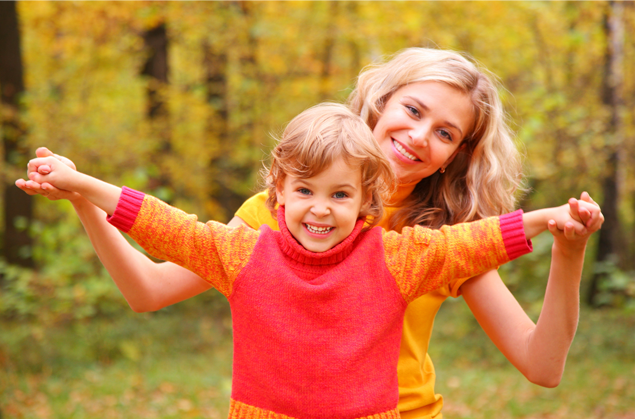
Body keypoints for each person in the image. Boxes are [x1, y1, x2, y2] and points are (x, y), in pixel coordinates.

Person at [16, 48, 604, 418]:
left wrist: (568, 250)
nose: (422, 136)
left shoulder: (445, 239)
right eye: (415, 109)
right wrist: (84, 200)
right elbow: (148, 289)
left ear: (454, 157)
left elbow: (542, 365)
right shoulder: (279, 212)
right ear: (378, 102)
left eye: (448, 134)